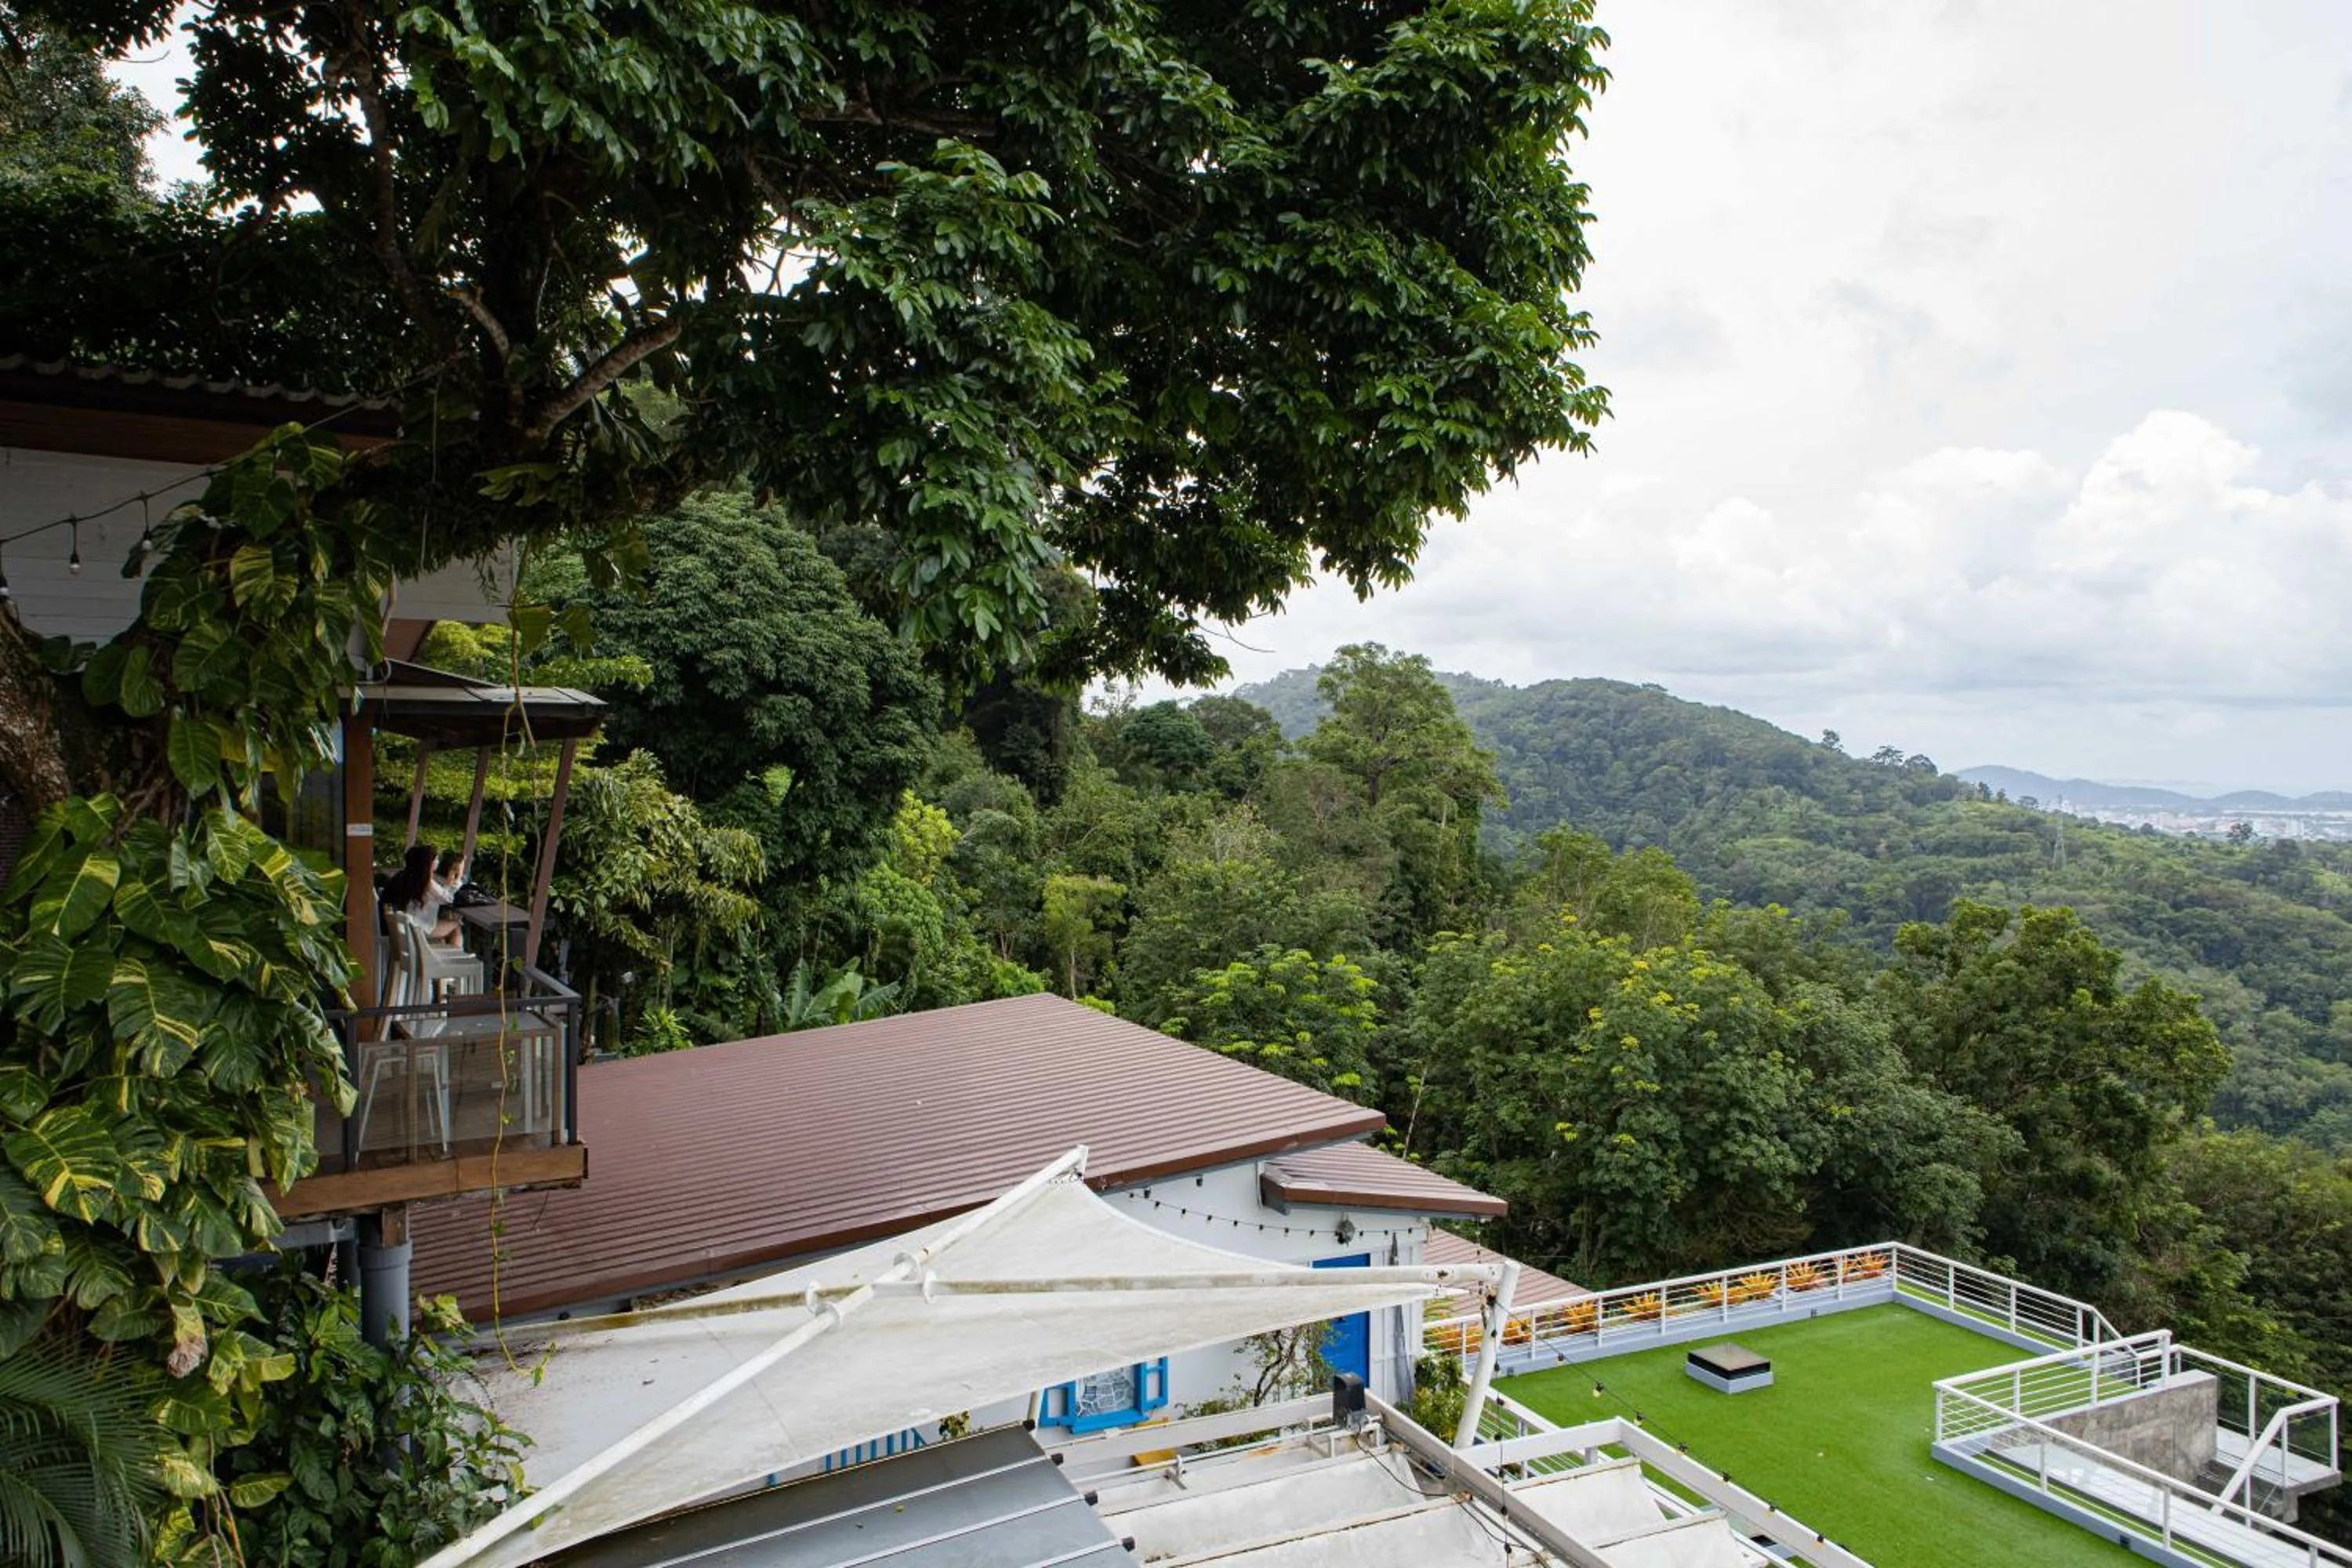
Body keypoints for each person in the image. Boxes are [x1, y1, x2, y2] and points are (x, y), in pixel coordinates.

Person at [382, 842, 460, 945]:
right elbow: (449, 899)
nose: (438, 862)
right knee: (455, 926)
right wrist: (454, 881)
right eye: (436, 859)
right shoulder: (425, 882)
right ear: (429, 862)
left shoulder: (404, 876)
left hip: (402, 927)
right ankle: (450, 960)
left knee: (444, 926)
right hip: (415, 930)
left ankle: (433, 955)